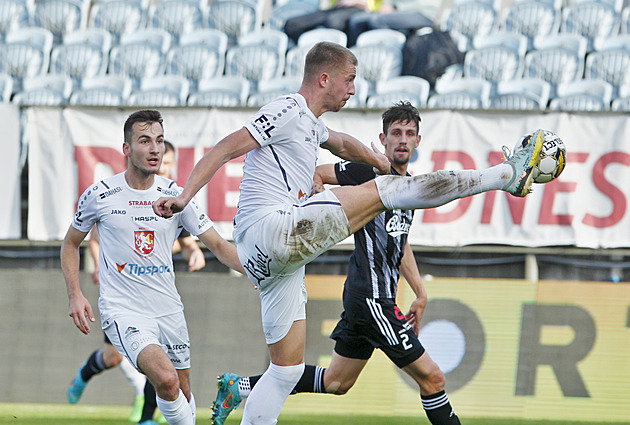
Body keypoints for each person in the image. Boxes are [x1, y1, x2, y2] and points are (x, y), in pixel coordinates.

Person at [152, 42, 545, 425]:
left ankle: (245, 398)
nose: (353, 89)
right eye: (350, 79)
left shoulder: (311, 124)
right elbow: (224, 148)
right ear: (325, 78)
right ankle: (505, 175)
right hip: (273, 228)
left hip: (272, 260)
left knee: (286, 371)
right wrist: (186, 194)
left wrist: (375, 159)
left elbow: (341, 143)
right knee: (390, 192)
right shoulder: (288, 109)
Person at [209, 101, 460, 425]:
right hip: (371, 300)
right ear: (382, 140)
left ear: (418, 142)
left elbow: (400, 242)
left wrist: (419, 291)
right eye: (395, 133)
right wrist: (316, 200)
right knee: (434, 379)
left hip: (367, 300)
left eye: (409, 134)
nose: (402, 139)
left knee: (336, 382)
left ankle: (239, 386)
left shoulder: (407, 188)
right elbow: (318, 174)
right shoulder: (365, 173)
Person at [61, 109, 246, 425]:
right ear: (126, 149)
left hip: (168, 309)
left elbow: (217, 244)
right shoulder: (100, 195)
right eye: (145, 141)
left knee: (182, 388)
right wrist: (75, 294)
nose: (155, 149)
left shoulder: (175, 195)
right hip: (124, 310)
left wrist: (255, 270)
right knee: (165, 377)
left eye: (159, 141)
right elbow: (70, 244)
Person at [283, 0, 378, 45]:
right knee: (292, 24)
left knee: (333, 22)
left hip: (361, 7)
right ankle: (310, 51)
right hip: (336, 7)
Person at [346, 0, 436, 46]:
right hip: (395, 10)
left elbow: (426, 3)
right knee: (356, 19)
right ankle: (351, 59)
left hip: (423, 12)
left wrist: (395, 7)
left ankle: (389, 55)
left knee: (377, 21)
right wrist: (386, 5)